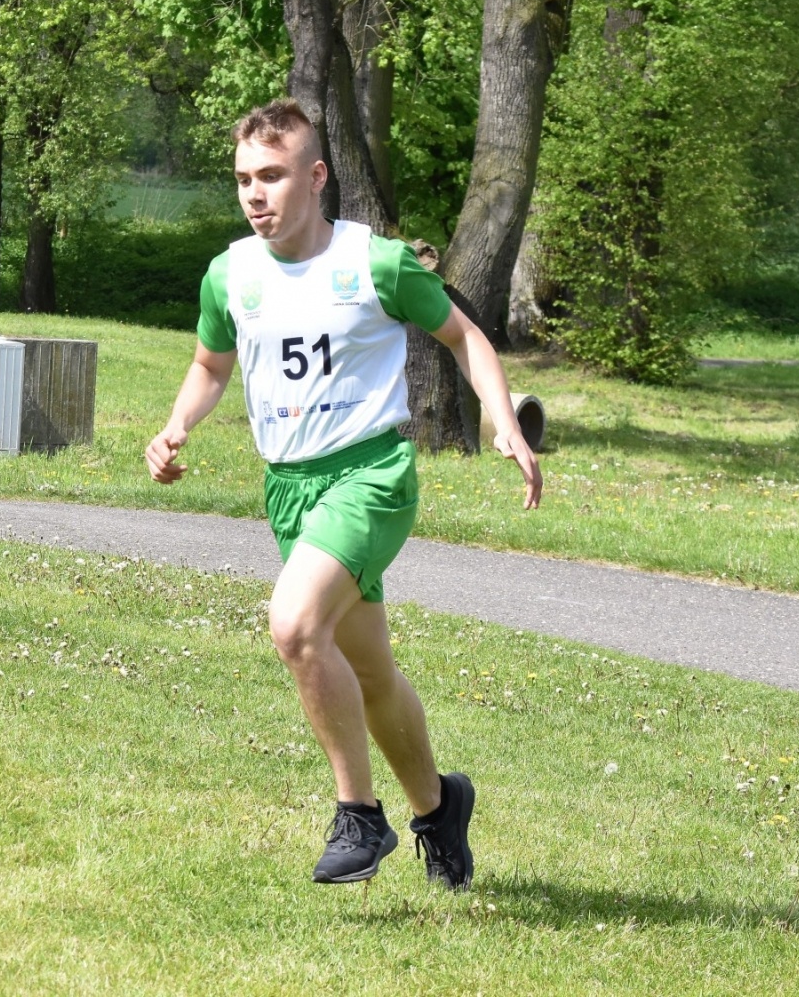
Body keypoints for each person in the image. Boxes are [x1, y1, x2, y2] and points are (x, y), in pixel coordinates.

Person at [145, 99, 542, 888]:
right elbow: (210, 366)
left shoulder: (375, 263)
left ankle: (359, 816)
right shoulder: (230, 274)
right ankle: (439, 809)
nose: (256, 194)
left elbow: (465, 337)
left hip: (369, 477)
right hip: (290, 491)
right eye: (243, 180)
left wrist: (503, 421)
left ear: (316, 176)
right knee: (369, 670)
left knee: (293, 626)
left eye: (272, 176)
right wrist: (177, 424)